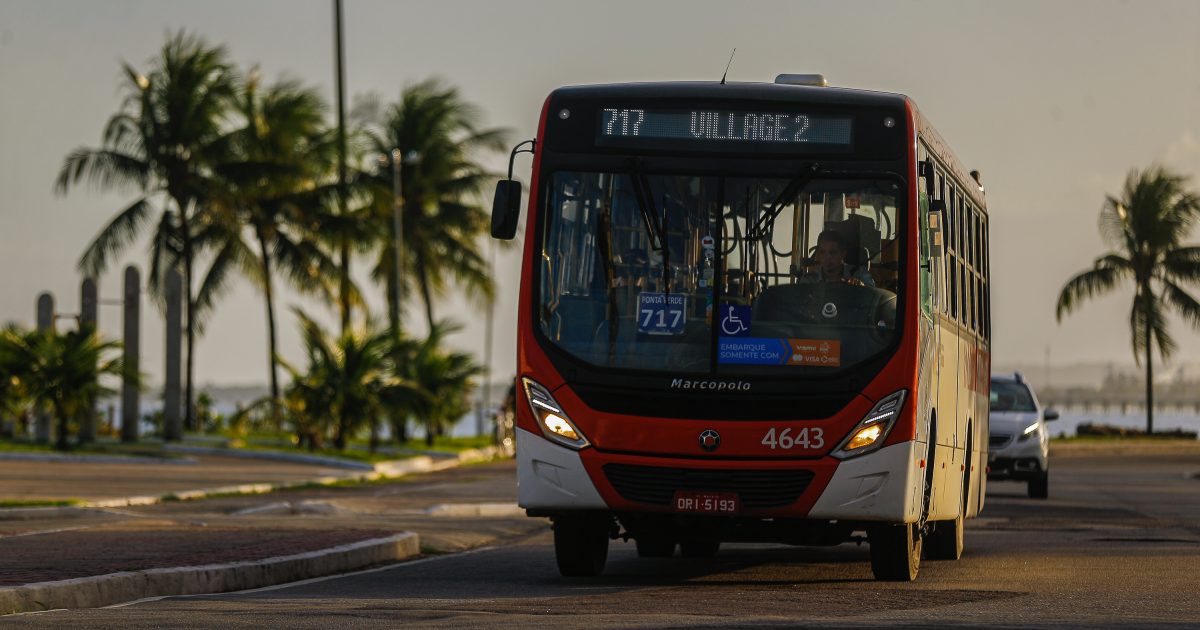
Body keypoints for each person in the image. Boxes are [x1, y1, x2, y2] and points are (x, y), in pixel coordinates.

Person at [799, 230, 875, 287]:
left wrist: (861, 288)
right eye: (822, 252)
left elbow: (873, 297)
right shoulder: (810, 280)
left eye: (832, 253)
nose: (827, 257)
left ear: (843, 254)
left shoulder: (860, 274)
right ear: (818, 254)